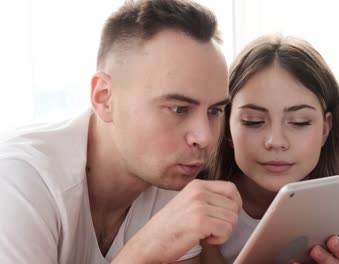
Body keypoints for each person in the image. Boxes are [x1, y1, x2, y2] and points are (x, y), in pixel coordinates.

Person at [0, 0, 242, 263]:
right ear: (104, 97)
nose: (204, 138)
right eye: (179, 109)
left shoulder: (173, 179)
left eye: (215, 111)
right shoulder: (20, 182)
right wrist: (151, 245)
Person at [205, 34, 339, 263]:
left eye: (299, 122)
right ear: (226, 127)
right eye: (253, 121)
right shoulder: (198, 202)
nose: (276, 141)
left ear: (325, 129)